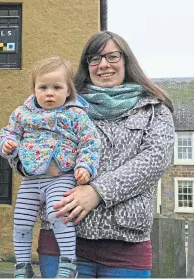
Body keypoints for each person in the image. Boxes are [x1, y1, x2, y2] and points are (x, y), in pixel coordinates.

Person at [35, 31, 175, 278]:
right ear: (86, 65)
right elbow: (27, 140)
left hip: (125, 248)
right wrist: (29, 164)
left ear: (126, 60)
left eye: (112, 56)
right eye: (95, 58)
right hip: (62, 237)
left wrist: (97, 192)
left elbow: (155, 159)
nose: (103, 65)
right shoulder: (62, 104)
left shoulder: (154, 109)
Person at [0, 56, 100, 278]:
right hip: (32, 180)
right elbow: (8, 132)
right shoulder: (23, 114)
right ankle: (23, 266)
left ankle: (68, 261)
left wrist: (85, 166)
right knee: (21, 221)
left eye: (57, 87)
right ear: (34, 90)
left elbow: (90, 142)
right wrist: (7, 145)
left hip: (61, 177)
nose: (49, 93)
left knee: (58, 213)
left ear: (68, 91)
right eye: (43, 87)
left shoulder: (75, 114)